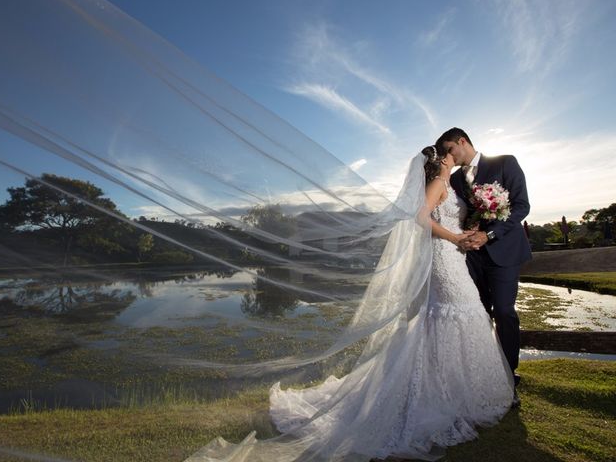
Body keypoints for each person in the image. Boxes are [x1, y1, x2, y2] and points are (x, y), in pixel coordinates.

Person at [186, 146, 514, 461]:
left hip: (455, 257)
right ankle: (443, 394)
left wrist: (469, 230)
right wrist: (455, 237)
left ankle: (459, 389)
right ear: (440, 160)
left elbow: (451, 216)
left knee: (460, 315)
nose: (451, 157)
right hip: (446, 257)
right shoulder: (439, 182)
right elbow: (420, 217)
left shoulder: (450, 183)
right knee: (452, 314)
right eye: (446, 154)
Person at [436, 127, 532, 407]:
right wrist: (465, 234)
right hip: (470, 257)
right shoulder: (452, 181)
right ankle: (483, 377)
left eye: (450, 149)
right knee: (479, 314)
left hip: (503, 252)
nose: (448, 156)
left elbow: (522, 206)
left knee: (504, 311)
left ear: (462, 141)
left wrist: (489, 234)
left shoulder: (504, 163)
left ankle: (509, 375)